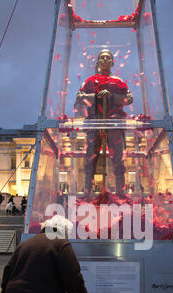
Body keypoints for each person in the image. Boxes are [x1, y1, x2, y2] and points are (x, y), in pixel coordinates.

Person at [75, 49, 133, 196]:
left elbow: (129, 99)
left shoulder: (119, 82)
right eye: (102, 57)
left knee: (117, 158)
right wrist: (96, 96)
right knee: (91, 158)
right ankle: (87, 192)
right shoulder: (89, 81)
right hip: (95, 122)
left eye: (108, 57)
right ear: (98, 62)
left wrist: (112, 97)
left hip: (114, 123)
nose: (105, 59)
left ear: (112, 62)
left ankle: (120, 191)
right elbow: (79, 98)